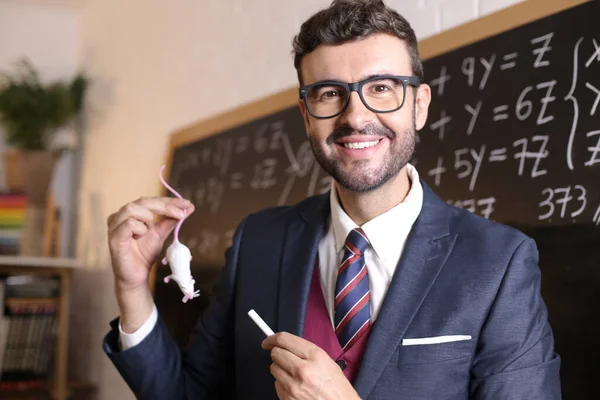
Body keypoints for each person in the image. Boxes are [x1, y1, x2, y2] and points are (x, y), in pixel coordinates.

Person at [103, 0, 561, 399]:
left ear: (419, 106)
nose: (356, 116)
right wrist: (130, 288)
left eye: (381, 88)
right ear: (306, 116)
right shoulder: (258, 241)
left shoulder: (499, 263)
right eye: (329, 94)